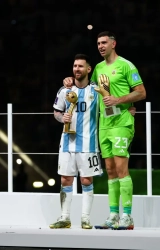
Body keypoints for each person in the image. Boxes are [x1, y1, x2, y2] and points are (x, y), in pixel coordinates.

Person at [63, 31, 146, 230]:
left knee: (121, 168)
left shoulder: (126, 65)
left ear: (113, 44)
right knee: (109, 171)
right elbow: (84, 86)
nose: (100, 46)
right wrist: (68, 81)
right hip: (104, 125)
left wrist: (120, 100)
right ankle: (113, 216)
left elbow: (141, 92)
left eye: (104, 43)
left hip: (121, 123)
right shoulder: (98, 68)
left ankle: (127, 216)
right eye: (98, 43)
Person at [50, 53, 103, 229]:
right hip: (67, 143)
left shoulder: (96, 91)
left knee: (86, 181)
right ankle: (65, 217)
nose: (76, 69)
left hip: (89, 144)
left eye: (80, 66)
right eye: (74, 66)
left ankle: (85, 218)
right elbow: (56, 112)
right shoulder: (65, 90)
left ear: (89, 69)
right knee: (65, 180)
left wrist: (129, 109)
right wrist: (61, 118)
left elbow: (109, 106)